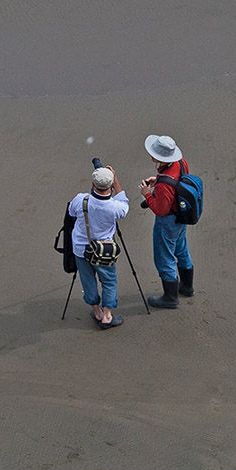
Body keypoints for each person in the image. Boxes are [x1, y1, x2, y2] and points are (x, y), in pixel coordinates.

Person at [68, 165, 129, 329]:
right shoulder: (115, 207)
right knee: (109, 281)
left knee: (88, 280)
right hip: (104, 250)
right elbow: (124, 203)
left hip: (81, 249)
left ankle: (97, 311)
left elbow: (71, 212)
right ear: (109, 186)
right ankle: (107, 315)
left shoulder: (81, 199)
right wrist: (115, 180)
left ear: (93, 183)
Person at [139, 133, 194, 309]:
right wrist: (159, 179)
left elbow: (161, 210)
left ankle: (170, 298)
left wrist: (147, 194)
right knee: (181, 250)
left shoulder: (164, 185)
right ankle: (187, 286)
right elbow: (180, 181)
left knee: (164, 258)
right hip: (182, 216)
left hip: (168, 221)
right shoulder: (180, 163)